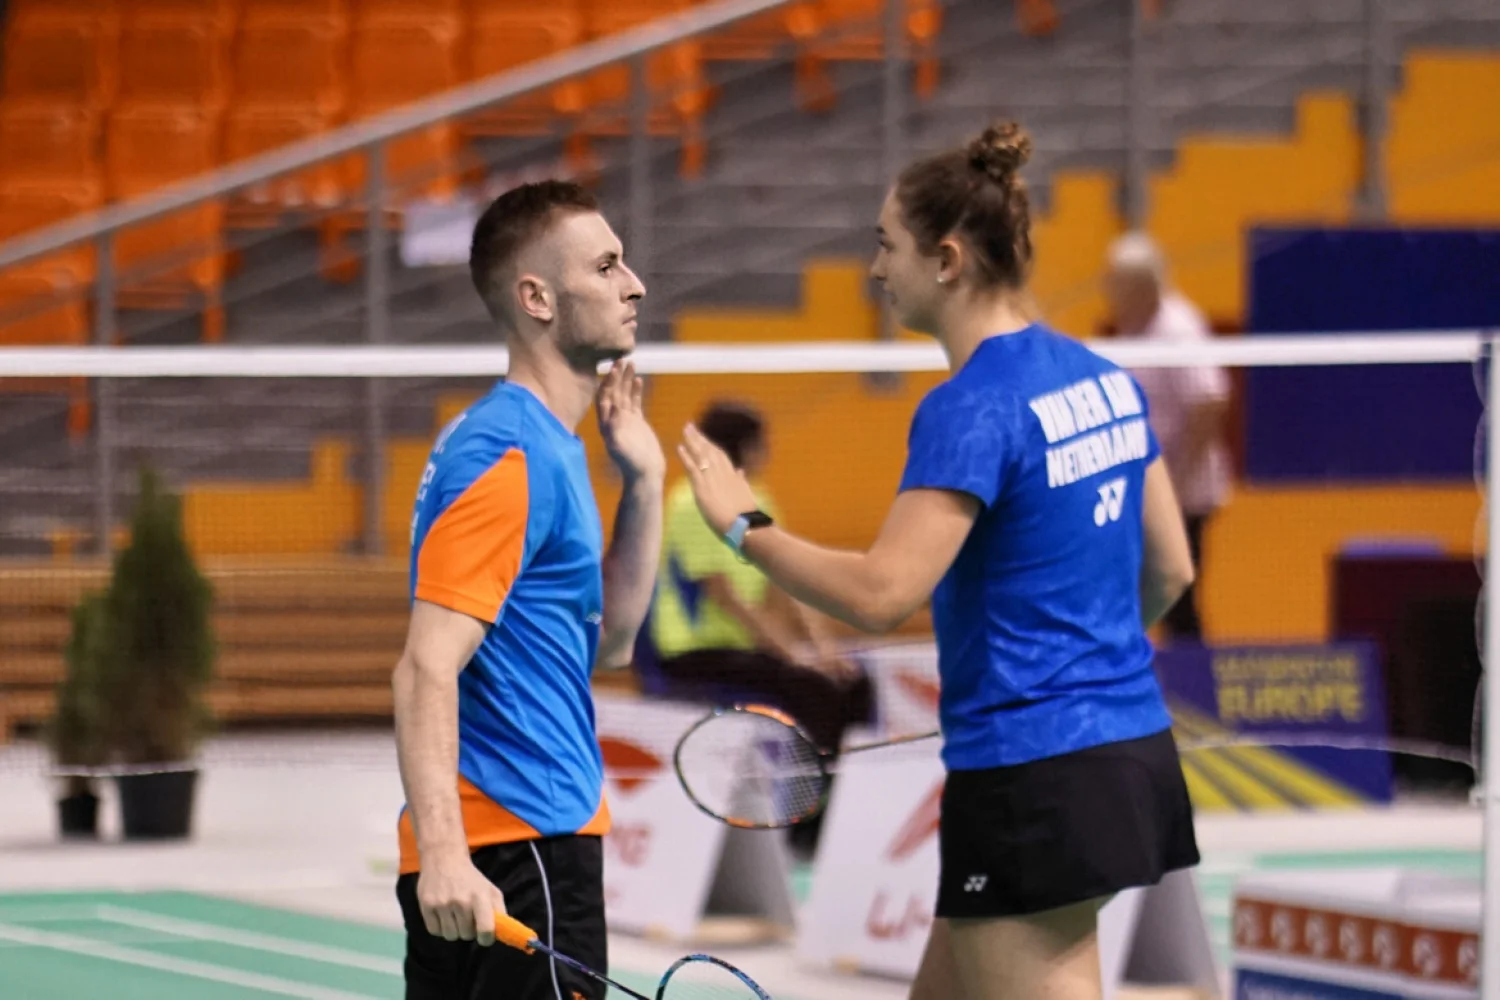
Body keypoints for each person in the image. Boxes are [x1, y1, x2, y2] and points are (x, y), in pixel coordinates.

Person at [676, 122, 1201, 1000]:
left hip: (1032, 778)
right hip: (1129, 757)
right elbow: (1172, 571)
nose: (877, 270)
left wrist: (744, 526)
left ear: (947, 260)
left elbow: (884, 593)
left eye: (888, 246)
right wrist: (1083, 666)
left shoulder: (971, 406)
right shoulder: (1104, 377)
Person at [391, 179, 664, 1000]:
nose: (635, 284)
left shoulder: (543, 446)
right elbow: (425, 666)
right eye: (607, 266)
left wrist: (643, 482)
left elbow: (607, 643)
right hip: (518, 847)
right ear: (537, 297)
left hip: (516, 843)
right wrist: (446, 853)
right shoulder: (510, 453)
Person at [649, 399, 874, 757]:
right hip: (695, 652)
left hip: (745, 649)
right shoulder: (691, 502)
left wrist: (825, 649)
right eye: (760, 443)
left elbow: (789, 581)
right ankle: (810, 802)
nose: (767, 452)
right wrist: (792, 655)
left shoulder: (757, 499)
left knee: (854, 682)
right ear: (742, 448)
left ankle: (848, 786)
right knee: (814, 690)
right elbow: (723, 595)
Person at [1104, 231, 1231, 642]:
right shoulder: (1131, 327)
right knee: (1146, 595)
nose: (1111, 292)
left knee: (1178, 597)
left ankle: (1195, 690)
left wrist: (1175, 486)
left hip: (1184, 496)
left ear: (1144, 284)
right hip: (1146, 492)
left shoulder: (1178, 328)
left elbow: (1209, 402)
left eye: (1118, 283)